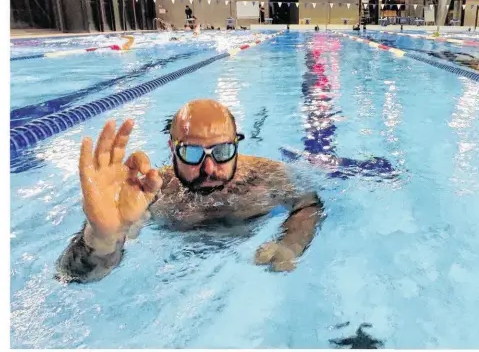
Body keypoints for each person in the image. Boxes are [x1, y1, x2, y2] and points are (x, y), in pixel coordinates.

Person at [56, 99, 324, 283]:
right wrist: (100, 239)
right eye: (192, 152)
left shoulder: (267, 177)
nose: (208, 167)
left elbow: (308, 202)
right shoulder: (151, 192)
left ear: (236, 146)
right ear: (173, 149)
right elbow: (72, 277)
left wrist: (291, 244)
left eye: (222, 151)